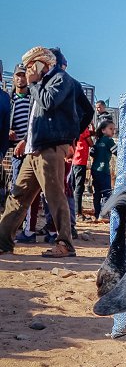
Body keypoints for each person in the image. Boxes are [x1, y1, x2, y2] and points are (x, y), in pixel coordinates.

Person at [0, 47, 91, 257]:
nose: (29, 69)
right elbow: (35, 118)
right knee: (18, 195)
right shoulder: (38, 85)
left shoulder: (61, 79)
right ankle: (3, 241)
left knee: (54, 195)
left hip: (51, 147)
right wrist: (25, 140)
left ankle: (65, 243)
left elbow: (51, 103)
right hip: (34, 149)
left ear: (43, 64)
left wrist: (70, 137)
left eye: (32, 64)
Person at [9, 64, 39, 242]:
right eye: (18, 75)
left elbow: (36, 123)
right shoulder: (10, 99)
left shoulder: (33, 99)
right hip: (15, 152)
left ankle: (29, 229)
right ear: (14, 78)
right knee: (16, 190)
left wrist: (26, 141)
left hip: (31, 150)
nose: (20, 78)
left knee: (31, 192)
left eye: (23, 75)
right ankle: (16, 226)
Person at [90, 120, 117, 220]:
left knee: (97, 193)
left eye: (114, 129)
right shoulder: (109, 141)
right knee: (106, 193)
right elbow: (117, 152)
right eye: (111, 129)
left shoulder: (98, 141)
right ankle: (105, 214)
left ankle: (97, 214)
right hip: (104, 170)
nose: (113, 131)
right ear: (103, 130)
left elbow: (92, 153)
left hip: (95, 169)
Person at [72, 124, 94, 220]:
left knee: (73, 186)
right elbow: (91, 143)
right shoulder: (83, 128)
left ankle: (74, 210)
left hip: (74, 160)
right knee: (79, 187)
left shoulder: (75, 126)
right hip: (80, 161)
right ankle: (78, 213)